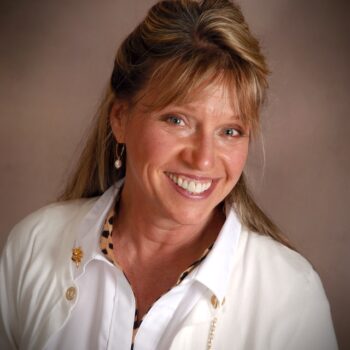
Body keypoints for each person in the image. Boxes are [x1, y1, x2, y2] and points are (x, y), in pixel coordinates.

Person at [0, 0, 338, 349]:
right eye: (177, 120)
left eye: (230, 131)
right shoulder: (34, 247)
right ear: (120, 118)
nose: (203, 159)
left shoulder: (291, 297)